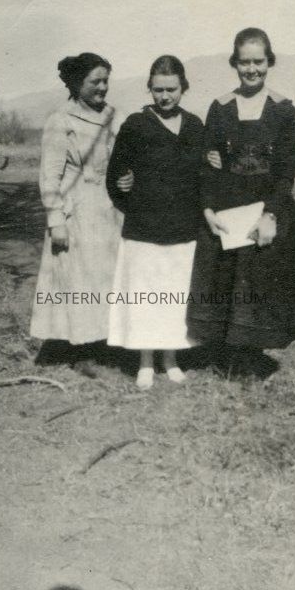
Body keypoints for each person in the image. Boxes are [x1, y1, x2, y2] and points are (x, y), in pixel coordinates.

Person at [187, 28, 295, 373]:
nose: (251, 69)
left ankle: (252, 359)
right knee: (226, 282)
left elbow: (286, 170)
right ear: (234, 63)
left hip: (267, 209)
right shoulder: (220, 107)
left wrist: (271, 215)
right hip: (228, 210)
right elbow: (207, 163)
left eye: (258, 61)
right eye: (244, 62)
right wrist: (208, 207)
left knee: (262, 283)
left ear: (269, 62)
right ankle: (224, 356)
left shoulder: (283, 109)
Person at [106, 55, 206, 389]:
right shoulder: (135, 125)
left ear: (183, 88)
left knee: (175, 297)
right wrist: (128, 194)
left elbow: (204, 172)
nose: (165, 97)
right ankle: (145, 362)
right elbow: (115, 175)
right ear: (149, 88)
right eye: (158, 90)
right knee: (146, 298)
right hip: (144, 230)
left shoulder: (194, 126)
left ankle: (171, 359)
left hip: (184, 229)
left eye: (171, 89)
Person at [30, 52, 132, 376]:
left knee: (107, 278)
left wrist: (128, 178)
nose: (102, 88)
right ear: (76, 83)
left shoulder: (115, 117)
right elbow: (50, 176)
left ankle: (107, 343)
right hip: (77, 211)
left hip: (110, 209)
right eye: (94, 82)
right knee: (80, 281)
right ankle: (82, 351)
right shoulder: (61, 120)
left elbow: (125, 160)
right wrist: (56, 219)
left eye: (106, 81)